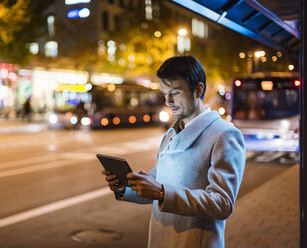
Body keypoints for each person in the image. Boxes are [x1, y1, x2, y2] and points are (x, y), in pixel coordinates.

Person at [102, 56, 246, 248]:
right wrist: (124, 187)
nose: (168, 101)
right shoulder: (171, 133)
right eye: (164, 93)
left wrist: (162, 193)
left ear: (198, 90)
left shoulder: (224, 134)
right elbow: (156, 183)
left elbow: (222, 203)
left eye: (175, 92)